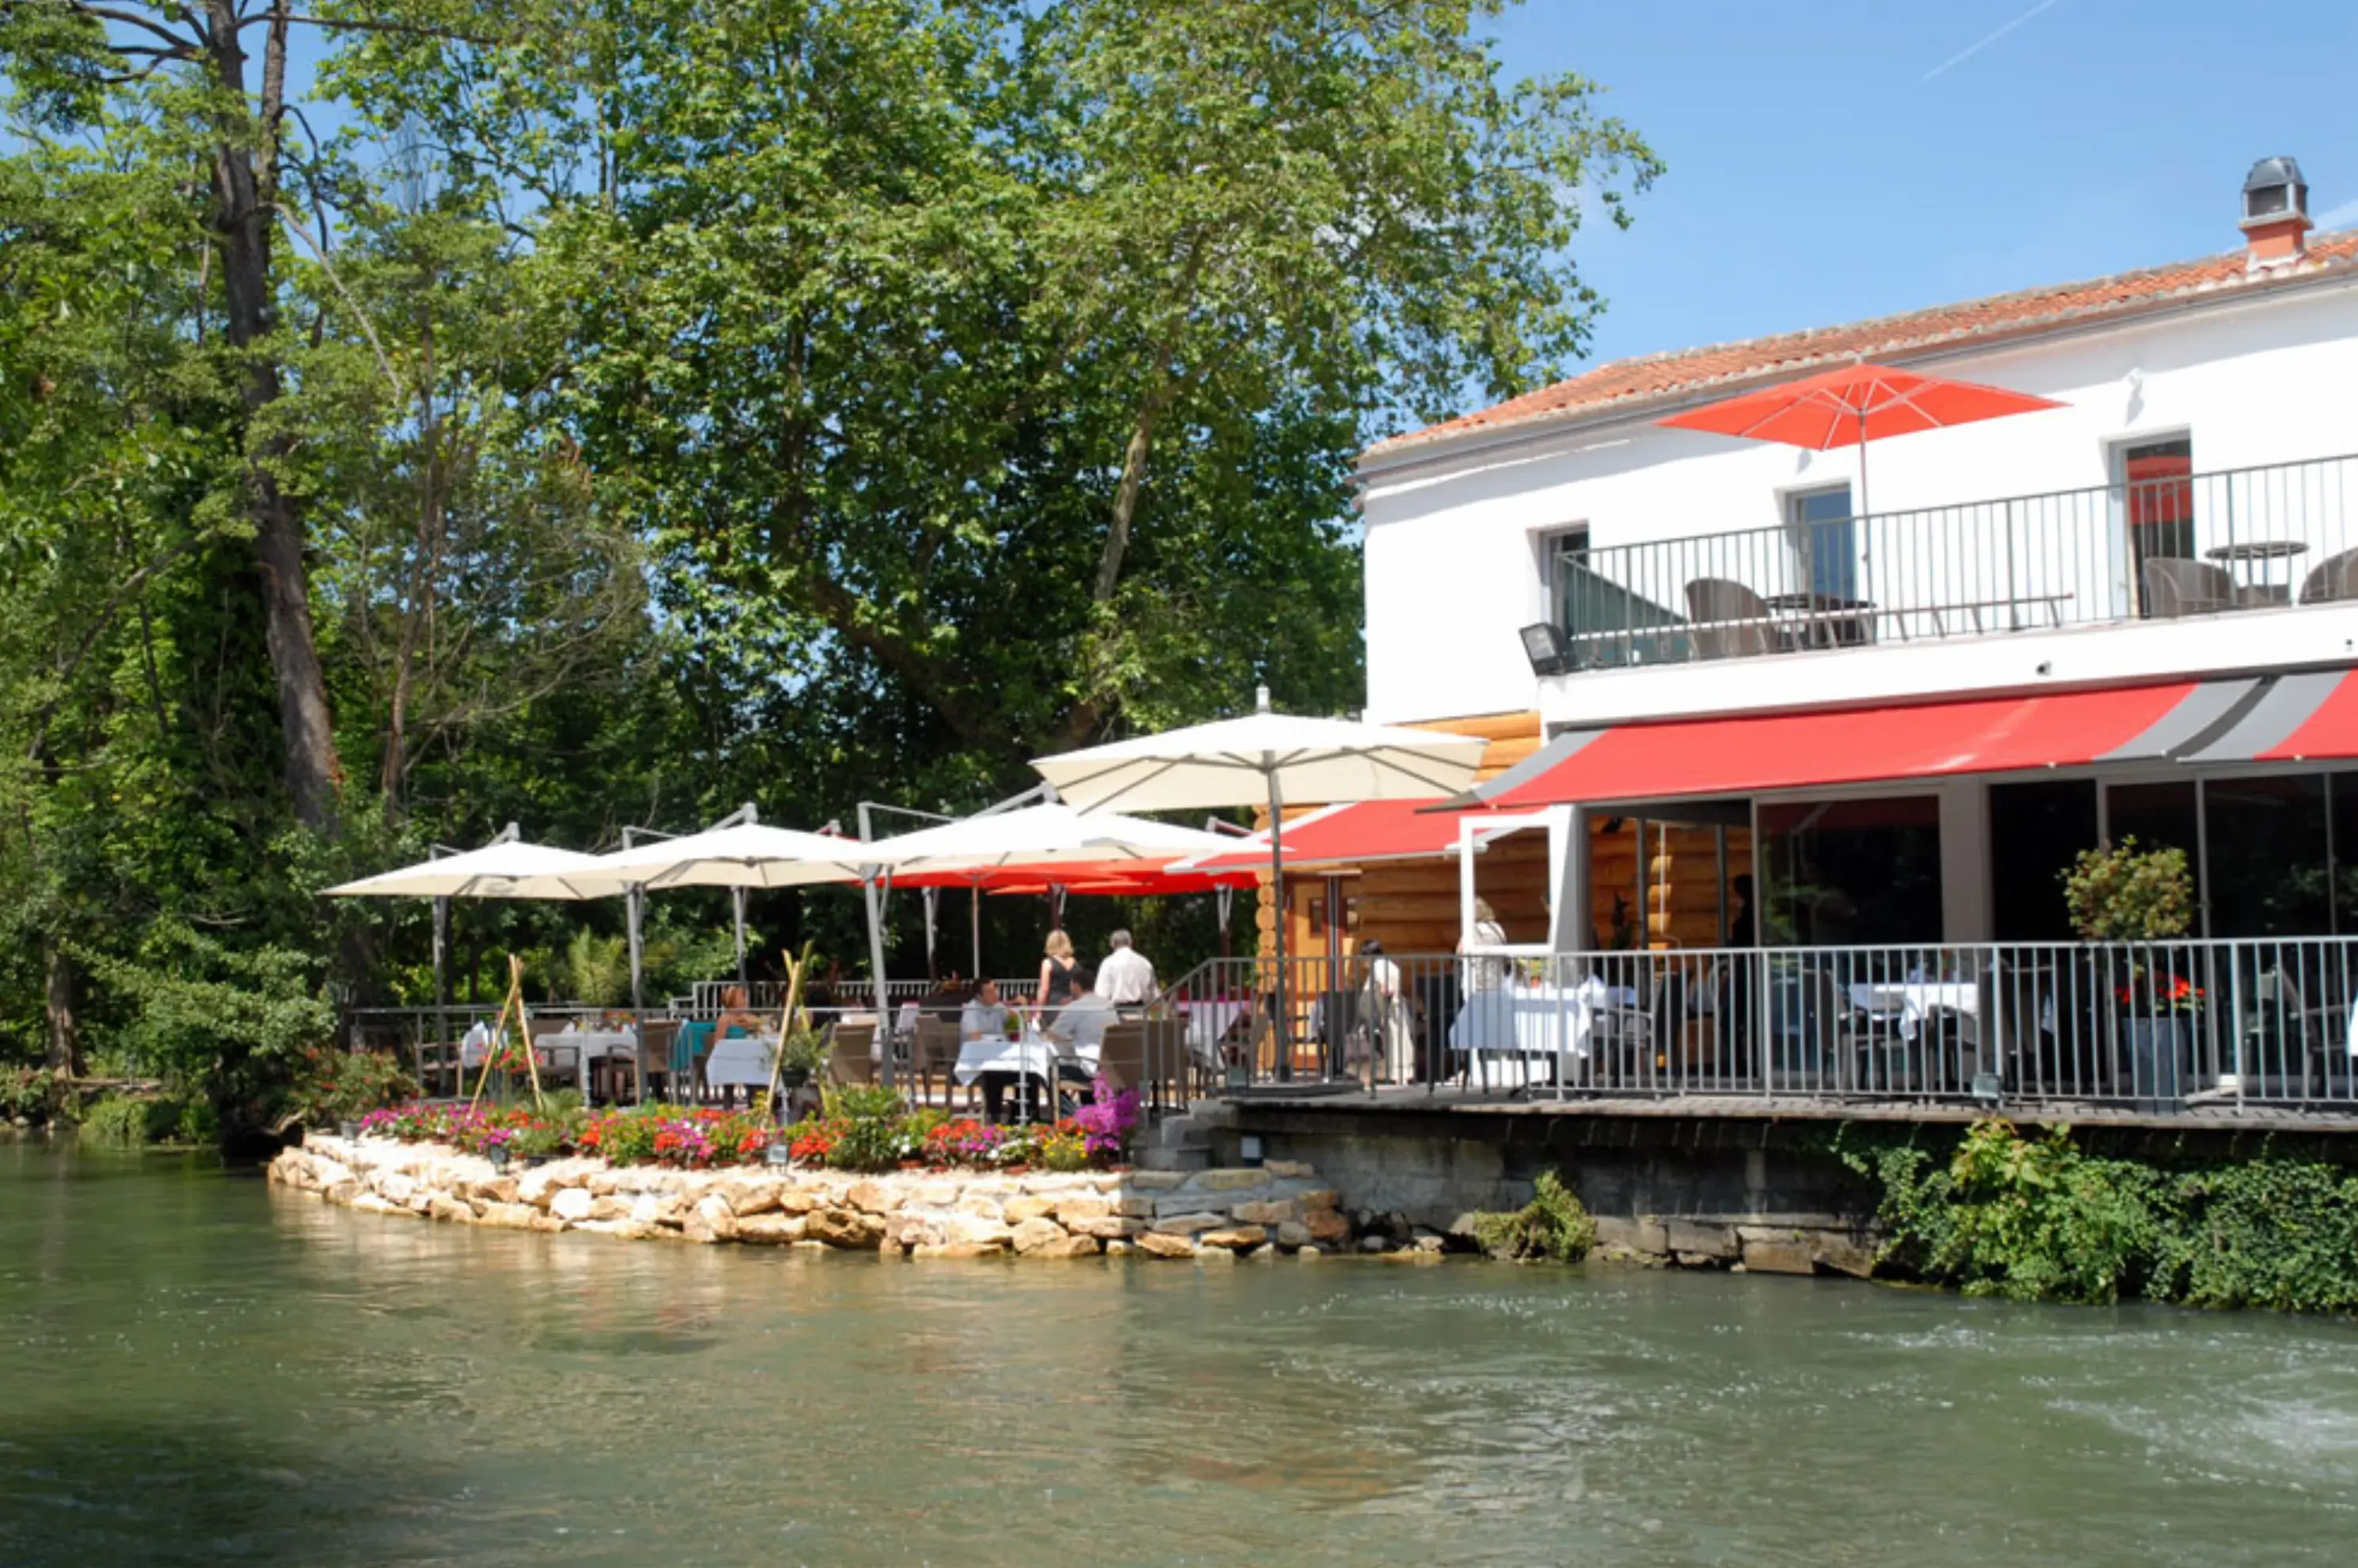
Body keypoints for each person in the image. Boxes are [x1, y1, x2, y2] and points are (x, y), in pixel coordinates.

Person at [960, 980, 1019, 1123]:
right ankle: (994, 1115)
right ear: (979, 996)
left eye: (996, 990)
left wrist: (1021, 1007)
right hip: (980, 1061)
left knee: (1028, 1073)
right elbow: (974, 1036)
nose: (996, 994)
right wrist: (996, 1038)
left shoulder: (998, 1007)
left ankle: (1024, 1114)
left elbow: (1016, 1020)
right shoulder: (972, 1010)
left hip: (1002, 1056)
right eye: (991, 992)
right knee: (995, 1074)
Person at [1358, 940, 1416, 1084]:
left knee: (1396, 1043)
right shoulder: (1388, 964)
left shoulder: (1378, 967)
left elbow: (1386, 988)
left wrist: (1386, 991)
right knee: (1399, 1042)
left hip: (1390, 1008)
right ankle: (1402, 1076)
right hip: (1395, 1007)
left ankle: (1400, 1077)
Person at [1094, 930, 1156, 1009]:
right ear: (1131, 943)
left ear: (1113, 944)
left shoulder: (1108, 963)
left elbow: (1102, 993)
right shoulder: (1144, 963)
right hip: (1140, 1010)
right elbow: (1152, 992)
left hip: (1116, 1011)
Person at [1460, 897, 1510, 993]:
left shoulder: (1472, 930)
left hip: (1477, 982)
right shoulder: (1497, 928)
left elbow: (1460, 952)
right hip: (1497, 980)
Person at [1035, 930, 1081, 1012]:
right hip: (1073, 1004)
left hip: (1054, 1006)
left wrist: (1039, 1010)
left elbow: (1044, 989)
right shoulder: (1076, 963)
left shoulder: (1048, 963)